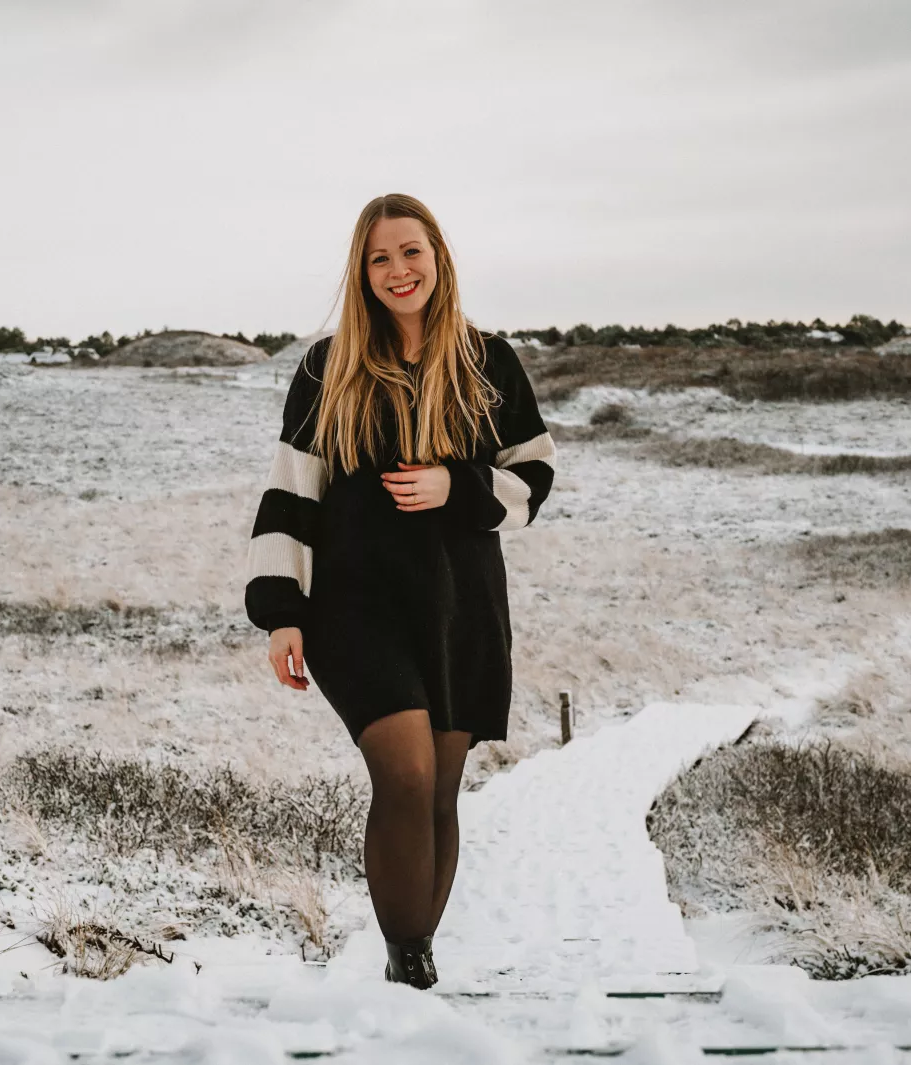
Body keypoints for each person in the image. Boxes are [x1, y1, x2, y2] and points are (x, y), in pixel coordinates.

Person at [242, 193, 555, 989]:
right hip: (356, 602)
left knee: (443, 789)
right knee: (406, 774)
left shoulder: (489, 361)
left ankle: (411, 962)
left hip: (461, 602)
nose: (397, 270)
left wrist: (458, 484)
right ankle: (409, 962)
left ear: (438, 258)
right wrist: (281, 612)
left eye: (410, 252)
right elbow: (291, 492)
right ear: (362, 270)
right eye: (380, 258)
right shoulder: (328, 365)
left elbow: (536, 475)